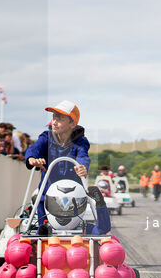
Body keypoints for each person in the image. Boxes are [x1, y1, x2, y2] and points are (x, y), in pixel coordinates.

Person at [25, 101, 109, 235]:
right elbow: (34, 149)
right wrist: (32, 159)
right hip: (48, 195)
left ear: (72, 124)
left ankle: (83, 228)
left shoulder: (81, 141)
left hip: (73, 198)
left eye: (60, 118)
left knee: (96, 229)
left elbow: (83, 156)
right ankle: (43, 231)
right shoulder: (46, 137)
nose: (54, 122)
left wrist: (82, 167)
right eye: (54, 117)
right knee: (41, 217)